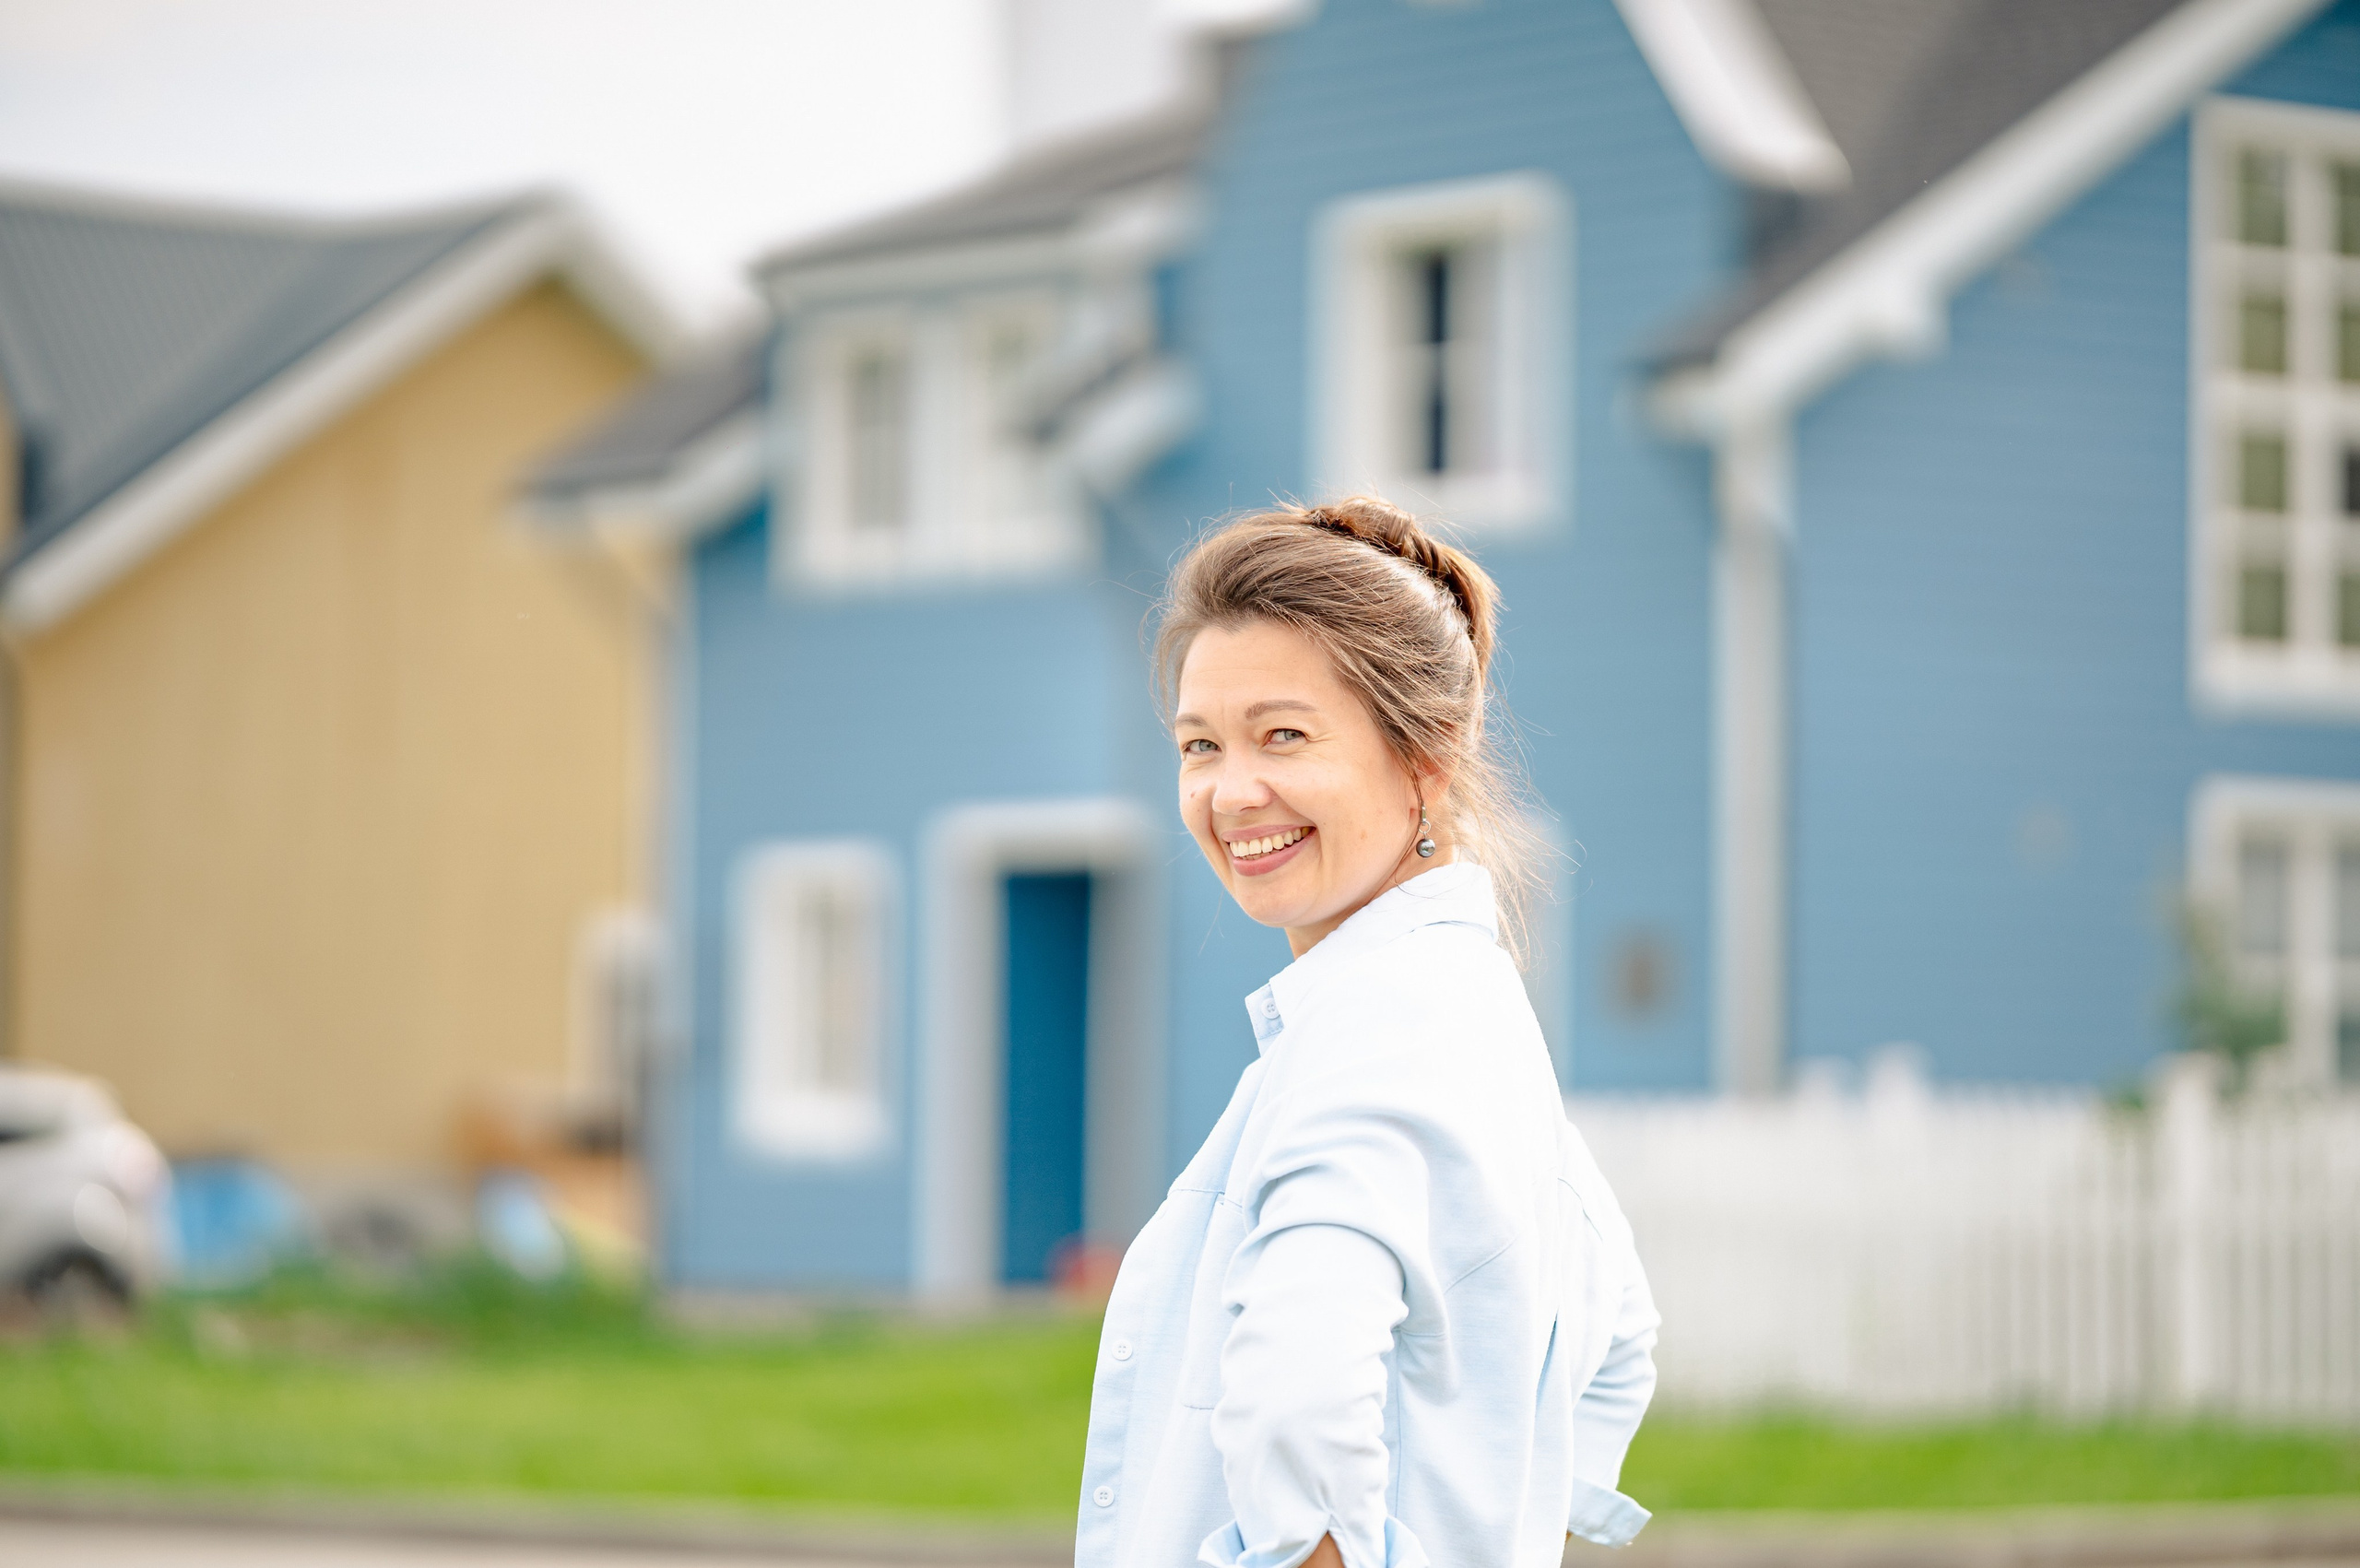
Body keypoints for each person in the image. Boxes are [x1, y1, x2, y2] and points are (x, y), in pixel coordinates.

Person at [1074, 497, 1659, 1568]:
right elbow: (1620, 1334)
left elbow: (1296, 1389)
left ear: (1425, 755)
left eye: (1283, 735)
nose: (1229, 791)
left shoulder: (1382, 1025)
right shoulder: (1459, 1006)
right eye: (1199, 744)